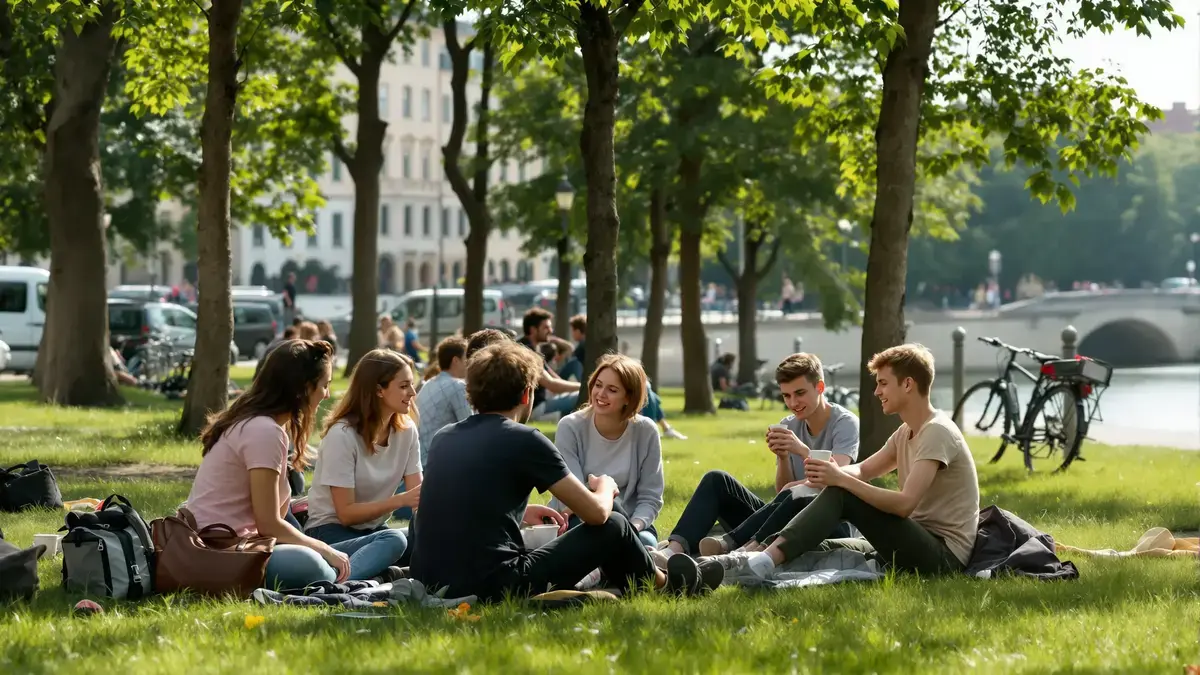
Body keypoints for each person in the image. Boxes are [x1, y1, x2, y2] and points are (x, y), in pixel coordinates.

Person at [410, 342, 718, 601]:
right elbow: (596, 515)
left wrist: (521, 512)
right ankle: (667, 585)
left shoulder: (444, 437)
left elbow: (461, 501)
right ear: (526, 395)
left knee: (613, 525)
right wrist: (606, 488)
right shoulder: (526, 440)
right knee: (615, 523)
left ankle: (628, 582)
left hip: (430, 579)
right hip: (495, 584)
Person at [705, 344, 980, 580]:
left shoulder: (937, 431)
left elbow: (904, 504)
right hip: (914, 539)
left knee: (842, 492)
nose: (876, 391)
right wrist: (828, 473)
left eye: (883, 383)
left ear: (907, 384)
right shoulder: (906, 432)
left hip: (942, 558)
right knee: (824, 546)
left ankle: (759, 560)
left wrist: (839, 479)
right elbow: (863, 469)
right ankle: (745, 560)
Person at [185, 340, 386, 589]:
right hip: (221, 550)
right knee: (313, 564)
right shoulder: (264, 431)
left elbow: (275, 516)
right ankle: (352, 578)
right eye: (324, 385)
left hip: (242, 544)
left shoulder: (261, 425)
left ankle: (357, 573)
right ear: (303, 389)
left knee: (391, 539)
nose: (326, 394)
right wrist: (323, 549)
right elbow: (269, 524)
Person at [658, 353, 858, 561]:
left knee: (798, 493)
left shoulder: (845, 423)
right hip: (783, 515)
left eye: (800, 393)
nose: (793, 402)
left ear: (820, 387)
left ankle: (733, 544)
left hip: (829, 522)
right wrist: (782, 457)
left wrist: (801, 450)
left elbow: (835, 478)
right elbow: (782, 492)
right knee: (716, 480)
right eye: (786, 396)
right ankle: (673, 550)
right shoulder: (788, 424)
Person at [302, 350, 419, 571]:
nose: (412, 392)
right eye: (404, 386)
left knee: (425, 541)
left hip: (374, 532)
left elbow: (418, 498)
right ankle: (337, 586)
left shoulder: (407, 431)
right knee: (394, 541)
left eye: (412, 384)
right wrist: (400, 500)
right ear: (378, 390)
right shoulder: (342, 435)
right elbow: (346, 514)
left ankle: (382, 576)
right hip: (330, 532)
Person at [549, 354, 663, 549]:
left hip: (632, 524)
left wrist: (631, 529)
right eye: (598, 385)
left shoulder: (646, 431)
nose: (601, 394)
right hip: (580, 520)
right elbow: (574, 497)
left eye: (612, 390)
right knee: (594, 544)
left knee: (645, 541)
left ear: (629, 397)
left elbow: (650, 497)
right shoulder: (570, 427)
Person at [415, 336, 472, 463]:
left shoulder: (428, 384)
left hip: (421, 461)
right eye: (466, 359)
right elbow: (471, 429)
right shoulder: (457, 386)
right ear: (456, 360)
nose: (469, 363)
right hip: (439, 462)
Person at [517, 308, 580, 421]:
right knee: (582, 395)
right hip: (533, 408)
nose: (550, 331)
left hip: (538, 404)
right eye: (546, 327)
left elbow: (555, 378)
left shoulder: (530, 348)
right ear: (533, 329)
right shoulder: (527, 352)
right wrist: (584, 387)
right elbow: (552, 385)